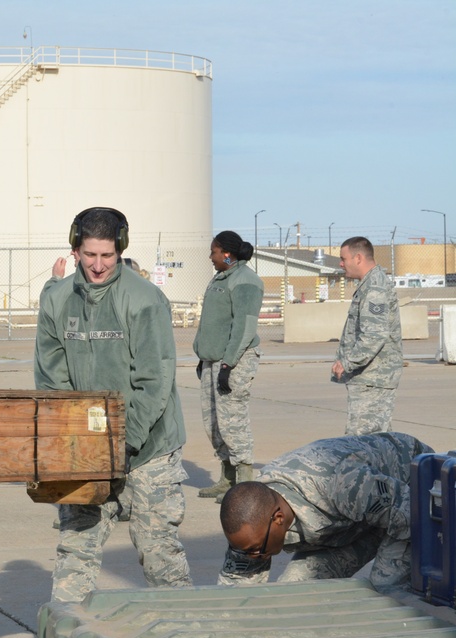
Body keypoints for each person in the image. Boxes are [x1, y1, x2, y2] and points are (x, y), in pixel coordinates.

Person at [36, 207, 192, 602]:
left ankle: (187, 636)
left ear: (120, 250)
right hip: (87, 450)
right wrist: (74, 445)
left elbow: (154, 381)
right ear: (76, 250)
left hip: (148, 449)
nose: (99, 265)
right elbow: (52, 379)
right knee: (76, 548)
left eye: (107, 256)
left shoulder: (144, 300)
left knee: (160, 556)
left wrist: (123, 444)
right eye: (90, 255)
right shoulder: (56, 300)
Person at [218, 432, 431, 593]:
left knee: (383, 591)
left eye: (256, 551)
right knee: (293, 593)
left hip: (411, 493)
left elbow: (418, 517)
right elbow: (235, 589)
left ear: (278, 519)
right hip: (351, 521)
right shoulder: (250, 525)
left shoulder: (340, 483)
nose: (253, 557)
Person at [193, 231, 264, 503]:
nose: (210, 257)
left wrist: (228, 364)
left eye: (213, 252)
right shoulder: (221, 277)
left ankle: (244, 485)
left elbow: (244, 328)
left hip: (234, 360)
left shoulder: (246, 281)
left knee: (232, 421)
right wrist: (205, 357)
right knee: (213, 422)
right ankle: (228, 479)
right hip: (214, 360)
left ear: (226, 253)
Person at [332, 236, 402, 435]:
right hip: (370, 377)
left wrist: (348, 362)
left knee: (361, 441)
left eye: (344, 259)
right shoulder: (369, 284)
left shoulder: (375, 288)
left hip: (373, 378)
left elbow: (374, 334)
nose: (341, 263)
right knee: (377, 440)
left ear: (359, 258)